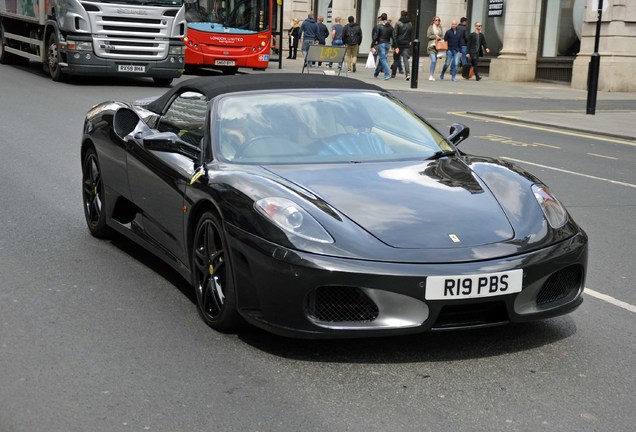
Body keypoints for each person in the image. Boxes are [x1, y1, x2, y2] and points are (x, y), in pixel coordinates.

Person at [371, 13, 395, 80]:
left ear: (381, 18)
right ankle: (376, 73)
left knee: (383, 59)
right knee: (382, 59)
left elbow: (375, 37)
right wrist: (395, 45)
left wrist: (372, 45)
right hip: (387, 44)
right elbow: (393, 37)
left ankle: (387, 73)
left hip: (381, 44)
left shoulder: (379, 26)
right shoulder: (390, 26)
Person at [391, 10, 413, 81]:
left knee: (396, 59)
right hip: (406, 43)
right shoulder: (410, 24)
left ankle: (393, 74)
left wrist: (395, 46)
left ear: (401, 15)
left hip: (399, 43)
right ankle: (408, 74)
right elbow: (410, 34)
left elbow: (395, 35)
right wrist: (409, 41)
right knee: (406, 59)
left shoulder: (398, 23)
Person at [426, 16, 444, 81]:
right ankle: (430, 75)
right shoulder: (430, 27)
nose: (437, 21)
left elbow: (442, 36)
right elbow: (428, 36)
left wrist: (440, 38)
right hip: (431, 46)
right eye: (436, 20)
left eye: (438, 20)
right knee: (433, 60)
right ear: (433, 21)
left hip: (438, 47)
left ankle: (432, 75)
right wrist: (435, 36)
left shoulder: (440, 28)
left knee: (435, 62)